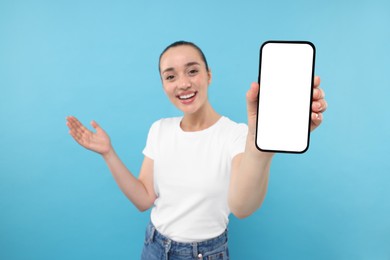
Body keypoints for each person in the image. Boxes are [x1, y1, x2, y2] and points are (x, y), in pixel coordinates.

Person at [66, 41, 327, 260]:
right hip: (154, 246)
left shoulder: (236, 134)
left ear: (208, 75)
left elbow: (242, 207)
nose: (182, 84)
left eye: (192, 71)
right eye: (170, 76)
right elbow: (143, 199)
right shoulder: (160, 129)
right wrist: (108, 153)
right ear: (163, 84)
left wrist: (261, 148)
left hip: (205, 254)